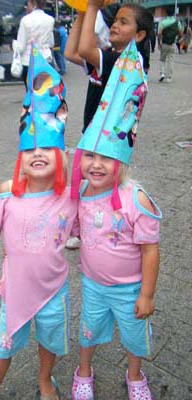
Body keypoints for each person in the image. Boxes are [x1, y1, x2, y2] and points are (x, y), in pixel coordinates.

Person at [0, 45, 77, 400]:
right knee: (3, 344)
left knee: (50, 338)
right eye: (30, 149)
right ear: (20, 159)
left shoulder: (70, 198)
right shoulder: (7, 194)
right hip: (15, 290)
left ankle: (45, 379)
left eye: (45, 148)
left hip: (54, 291)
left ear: (60, 155)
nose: (37, 154)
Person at [70, 23, 162, 399]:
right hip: (92, 284)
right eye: (89, 155)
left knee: (135, 336)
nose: (95, 164)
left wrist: (148, 295)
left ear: (121, 163)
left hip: (130, 289)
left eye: (105, 158)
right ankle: (84, 370)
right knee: (88, 330)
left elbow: (150, 249)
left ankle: (135, 376)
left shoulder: (135, 199)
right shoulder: (83, 191)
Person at [64, 0, 153, 250]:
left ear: (139, 35)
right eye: (115, 20)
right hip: (93, 139)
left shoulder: (120, 62)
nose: (114, 25)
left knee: (95, 186)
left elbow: (83, 48)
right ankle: (87, 228)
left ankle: (98, 231)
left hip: (103, 146)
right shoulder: (110, 57)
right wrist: (82, 11)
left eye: (123, 22)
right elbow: (71, 52)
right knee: (88, 184)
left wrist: (91, 6)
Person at [15, 0, 55, 89]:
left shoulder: (25, 20)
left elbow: (21, 46)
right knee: (44, 92)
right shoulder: (50, 20)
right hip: (45, 60)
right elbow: (51, 43)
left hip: (28, 61)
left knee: (31, 92)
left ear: (32, 3)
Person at [157, 6, 182, 83]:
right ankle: (169, 77)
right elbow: (180, 32)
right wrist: (177, 39)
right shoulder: (177, 22)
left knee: (162, 59)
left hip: (164, 43)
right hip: (172, 43)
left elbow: (159, 34)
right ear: (173, 13)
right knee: (170, 60)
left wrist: (159, 43)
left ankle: (162, 74)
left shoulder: (163, 22)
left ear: (166, 14)